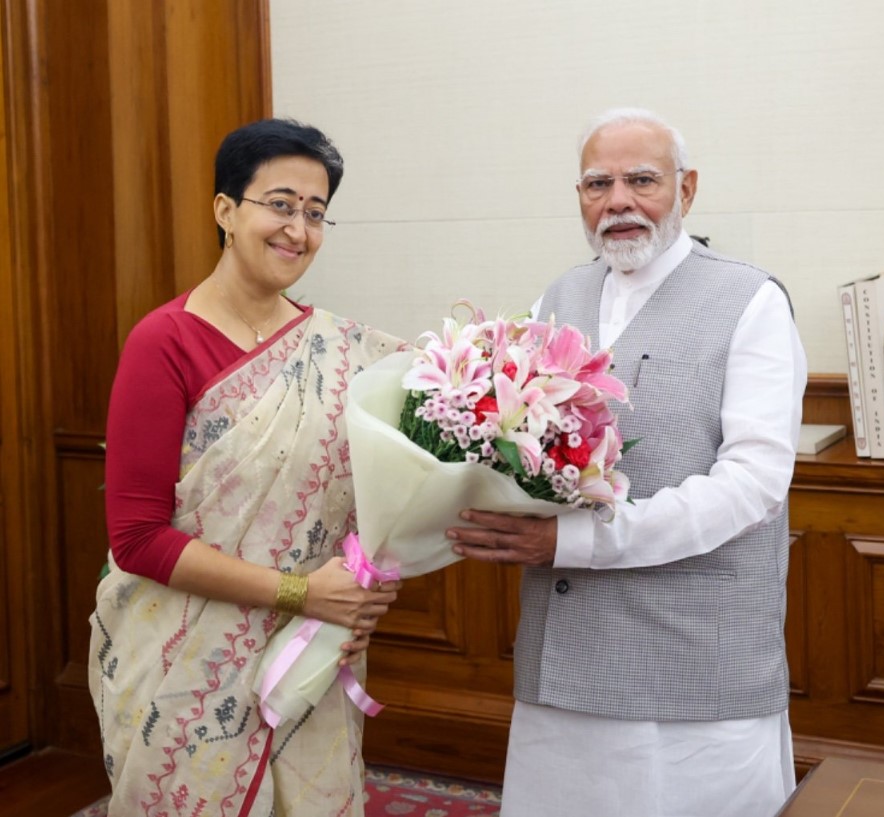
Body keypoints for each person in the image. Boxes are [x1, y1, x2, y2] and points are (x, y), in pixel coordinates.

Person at [447, 108, 808, 817]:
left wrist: (577, 539)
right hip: (565, 650)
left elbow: (754, 485)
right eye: (597, 184)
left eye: (641, 180)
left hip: (693, 660)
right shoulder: (556, 299)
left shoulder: (751, 300)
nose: (617, 201)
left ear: (686, 188)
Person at [89, 118, 405, 816]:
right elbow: (136, 538)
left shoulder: (340, 349)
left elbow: (378, 503)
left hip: (305, 652)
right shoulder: (164, 341)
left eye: (316, 213)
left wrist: (357, 591)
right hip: (184, 663)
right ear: (226, 210)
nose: (298, 229)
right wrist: (299, 591)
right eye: (280, 205)